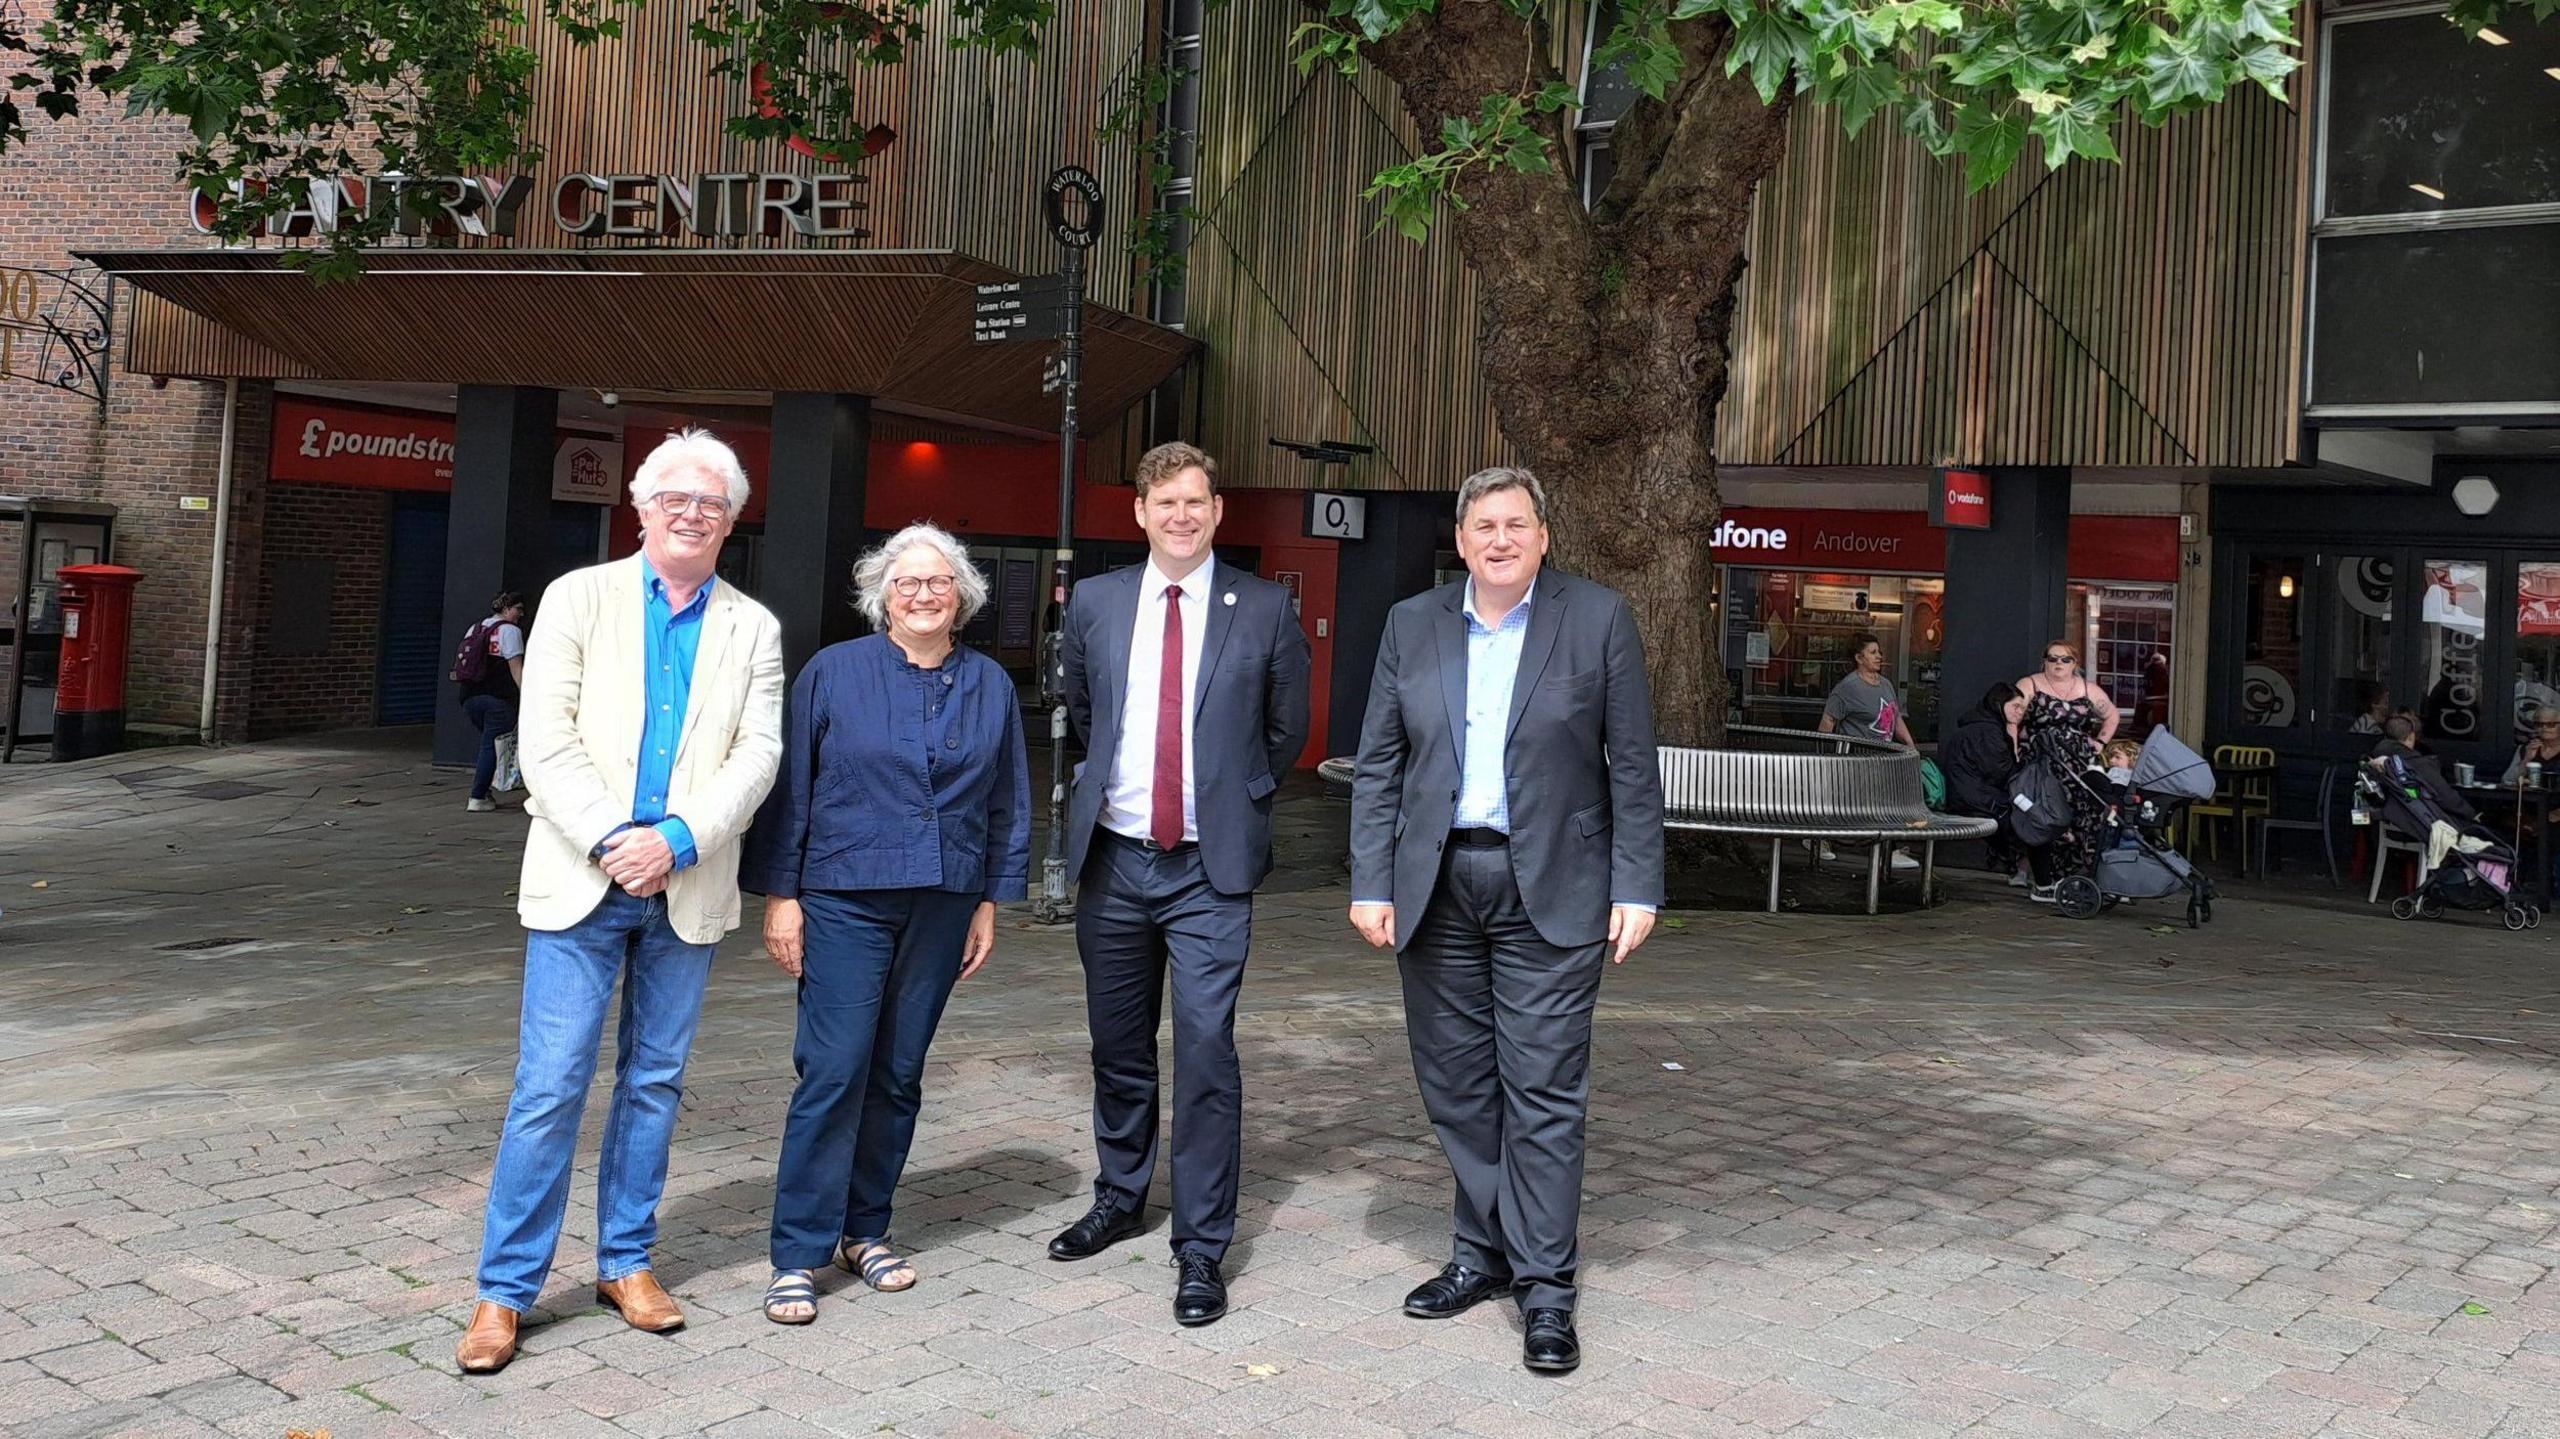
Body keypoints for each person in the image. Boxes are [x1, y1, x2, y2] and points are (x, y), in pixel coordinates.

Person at [455, 429, 785, 1376]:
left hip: (686, 886)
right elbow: (543, 736)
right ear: (641, 508)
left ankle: (625, 1262)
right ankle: (504, 1291)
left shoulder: (752, 627)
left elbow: (755, 757)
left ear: (731, 518)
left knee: (653, 1083)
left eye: (711, 501)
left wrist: (676, 840)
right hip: (580, 877)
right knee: (550, 1083)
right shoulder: (578, 598)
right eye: (674, 496)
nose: (691, 511)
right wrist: (614, 838)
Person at [1347, 466, 1665, 1376]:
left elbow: (1632, 764)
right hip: (1436, 883)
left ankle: (1546, 1289)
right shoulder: (1414, 624)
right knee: (1457, 1087)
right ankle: (1481, 1256)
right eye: (1483, 525)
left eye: (1515, 524)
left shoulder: (1597, 617)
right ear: (1460, 539)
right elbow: (1380, 763)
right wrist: (1371, 879)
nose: (1499, 539)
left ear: (1542, 536)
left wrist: (1637, 886)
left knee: (1543, 1092)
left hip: (1557, 886)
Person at [1050, 441, 1311, 1328]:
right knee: (1117, 1045)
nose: (1181, 516)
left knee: (1205, 1052)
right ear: (1139, 512)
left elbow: (1285, 733)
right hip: (1116, 860)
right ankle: (1121, 1195)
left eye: (1196, 501)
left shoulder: (1266, 606)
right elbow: (1088, 715)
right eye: (1165, 502)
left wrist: (1228, 800)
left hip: (1211, 868)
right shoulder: (1095, 601)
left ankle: (1200, 1247)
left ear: (1217, 509)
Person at [742, 524, 1030, 1325]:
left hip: (944, 899)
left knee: (899, 1071)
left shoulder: (990, 685)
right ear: (882, 596)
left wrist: (989, 899)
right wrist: (782, 894)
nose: (925, 594)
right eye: (908, 583)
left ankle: (865, 1230)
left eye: (939, 582)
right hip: (843, 895)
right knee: (834, 1069)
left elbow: (1008, 796)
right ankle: (797, 1251)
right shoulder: (834, 672)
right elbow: (792, 787)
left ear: (962, 595)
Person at [2015, 639, 2117, 902]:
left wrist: (2101, 742)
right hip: (2042, 762)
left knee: (2078, 816)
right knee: (2045, 814)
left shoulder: (2086, 688)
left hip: (2078, 763)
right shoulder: (2030, 684)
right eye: (2052, 658)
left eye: (2065, 659)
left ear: (2075, 663)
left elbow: (2112, 715)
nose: (2058, 664)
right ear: (2044, 660)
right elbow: (2011, 717)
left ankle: (2071, 878)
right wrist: (2015, 748)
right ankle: (2042, 880)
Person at [1818, 631, 1919, 869]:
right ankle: (1820, 839)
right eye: (1872, 653)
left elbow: (1894, 716)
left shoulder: (1885, 684)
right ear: (1859, 658)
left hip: (1884, 757)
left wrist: (1910, 744)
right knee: (1849, 804)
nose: (1879, 656)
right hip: (1857, 758)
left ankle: (1891, 848)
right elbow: (1827, 722)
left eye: (1879, 652)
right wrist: (1825, 756)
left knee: (1888, 802)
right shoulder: (1847, 688)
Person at [1940, 682, 2028, 884]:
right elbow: (2000, 772)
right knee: (2027, 812)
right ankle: (2018, 868)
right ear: (1999, 704)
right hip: (1974, 798)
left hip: (1969, 793)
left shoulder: (1981, 727)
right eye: (2015, 706)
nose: (2020, 712)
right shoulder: (1987, 733)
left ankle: (2013, 864)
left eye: (2022, 708)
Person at [456, 591, 527, 812]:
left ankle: (484, 791)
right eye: (518, 609)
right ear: (506, 609)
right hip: (498, 700)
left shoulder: (475, 628)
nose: (520, 614)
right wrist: (527, 698)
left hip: (470, 698)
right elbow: (516, 670)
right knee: (492, 747)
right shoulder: (510, 631)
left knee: (490, 744)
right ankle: (477, 797)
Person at [2502, 709, 2560, 788]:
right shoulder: (2526, 748)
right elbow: (2507, 780)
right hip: (2530, 798)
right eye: (2539, 724)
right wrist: (2526, 759)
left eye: (2550, 724)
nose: (2544, 728)